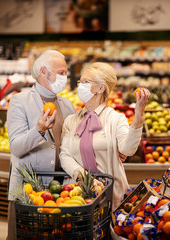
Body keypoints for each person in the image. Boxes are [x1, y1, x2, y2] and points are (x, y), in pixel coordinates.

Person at [6, 50, 75, 240]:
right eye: (61, 72)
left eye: (65, 73)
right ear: (43, 71)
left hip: (60, 190)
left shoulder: (67, 105)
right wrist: (38, 130)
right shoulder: (20, 101)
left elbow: (70, 146)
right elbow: (16, 147)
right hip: (29, 191)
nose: (65, 77)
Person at [60, 62, 150, 209]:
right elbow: (64, 155)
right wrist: (82, 176)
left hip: (110, 196)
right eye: (80, 82)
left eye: (86, 82)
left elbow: (127, 150)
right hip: (75, 195)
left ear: (101, 88)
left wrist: (138, 117)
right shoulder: (71, 120)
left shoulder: (116, 119)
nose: (80, 86)